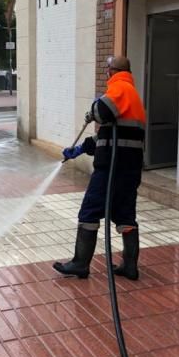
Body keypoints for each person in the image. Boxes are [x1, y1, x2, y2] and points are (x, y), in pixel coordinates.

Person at [53, 55, 146, 281]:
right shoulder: (132, 95)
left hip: (111, 169)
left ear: (112, 71)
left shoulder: (120, 87)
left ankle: (80, 263)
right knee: (125, 216)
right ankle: (130, 266)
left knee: (89, 212)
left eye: (107, 70)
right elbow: (109, 136)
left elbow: (102, 111)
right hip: (128, 169)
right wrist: (80, 149)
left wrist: (94, 108)